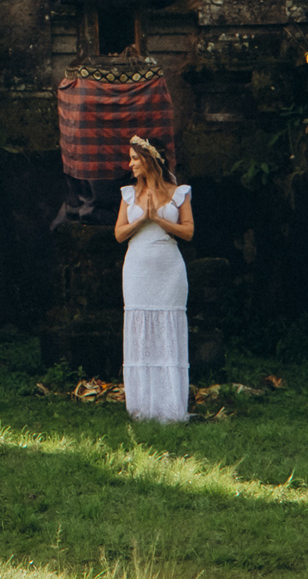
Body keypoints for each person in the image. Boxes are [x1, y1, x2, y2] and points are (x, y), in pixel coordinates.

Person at [113, 133, 193, 423]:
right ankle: (143, 407)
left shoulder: (178, 192)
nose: (130, 164)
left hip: (169, 270)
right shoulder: (128, 194)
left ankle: (170, 407)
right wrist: (141, 220)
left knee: (168, 328)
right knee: (140, 330)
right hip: (137, 269)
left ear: (149, 160)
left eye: (135, 159)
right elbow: (119, 234)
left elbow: (188, 231)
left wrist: (158, 219)